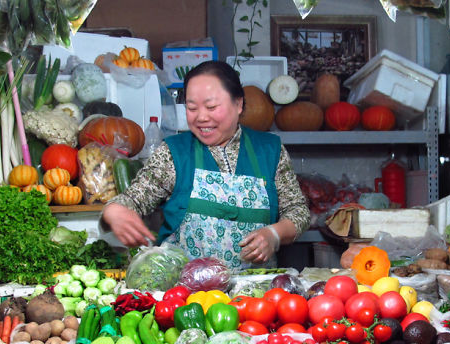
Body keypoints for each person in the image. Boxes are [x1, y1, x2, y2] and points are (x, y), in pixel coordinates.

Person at [101, 60, 310, 269]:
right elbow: (133, 200)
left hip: (255, 291)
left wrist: (274, 234)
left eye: (211, 107)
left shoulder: (270, 150)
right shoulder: (173, 153)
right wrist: (115, 211)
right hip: (185, 292)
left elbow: (298, 211)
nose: (201, 117)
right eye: (192, 108)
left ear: (238, 104)